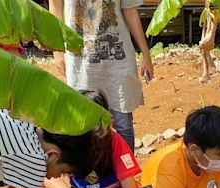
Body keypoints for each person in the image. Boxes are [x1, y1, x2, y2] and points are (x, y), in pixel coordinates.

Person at [49, 0, 153, 150]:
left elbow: (130, 11)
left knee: (123, 124)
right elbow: (55, 7)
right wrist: (57, 51)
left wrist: (145, 53)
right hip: (81, 63)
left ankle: (125, 172)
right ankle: (92, 172)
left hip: (118, 61)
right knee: (84, 124)